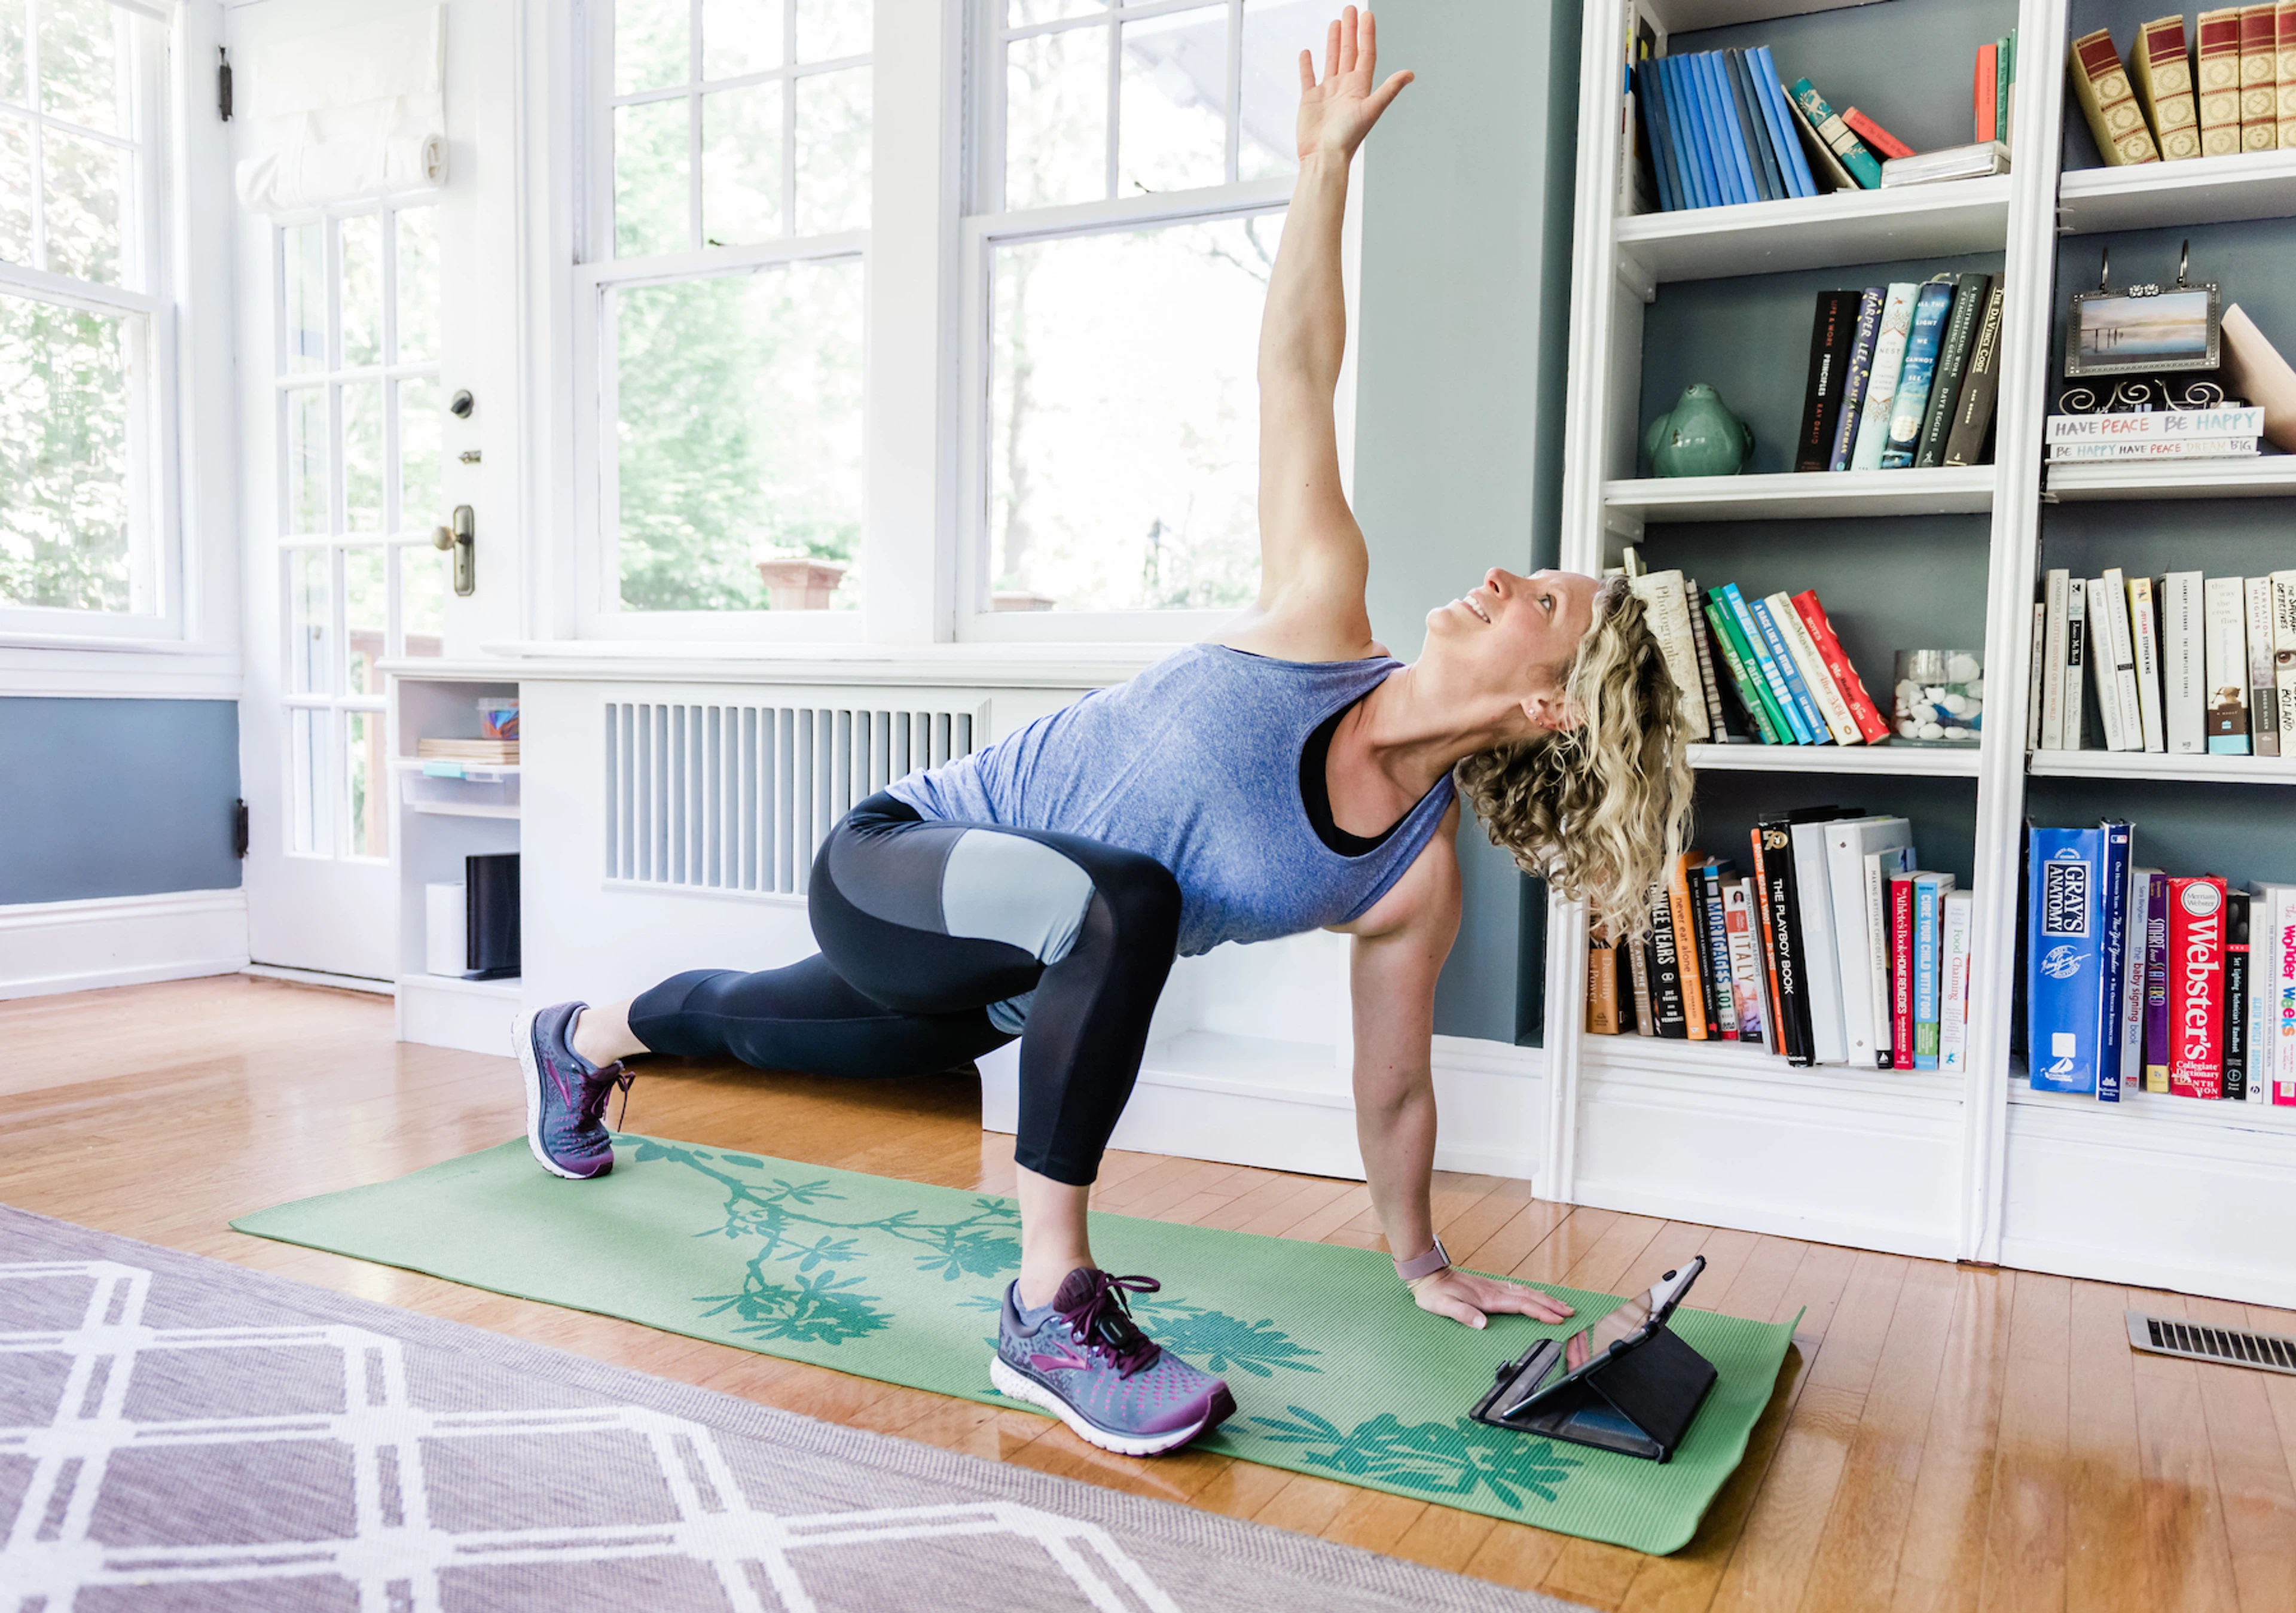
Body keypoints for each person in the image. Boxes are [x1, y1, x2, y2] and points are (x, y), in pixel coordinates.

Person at [513, 6, 1693, 1460]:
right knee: (1123, 897)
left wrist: (1421, 1259)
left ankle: (576, 1039)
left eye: (1549, 604)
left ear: (1547, 705)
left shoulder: (1408, 877)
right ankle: (1049, 1303)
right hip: (903, 857)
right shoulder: (1324, 617)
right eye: (1531, 566)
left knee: (742, 1022)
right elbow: (1297, 377)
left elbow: (1392, 1083)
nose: (1507, 577)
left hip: (1013, 985)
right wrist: (1322, 168)